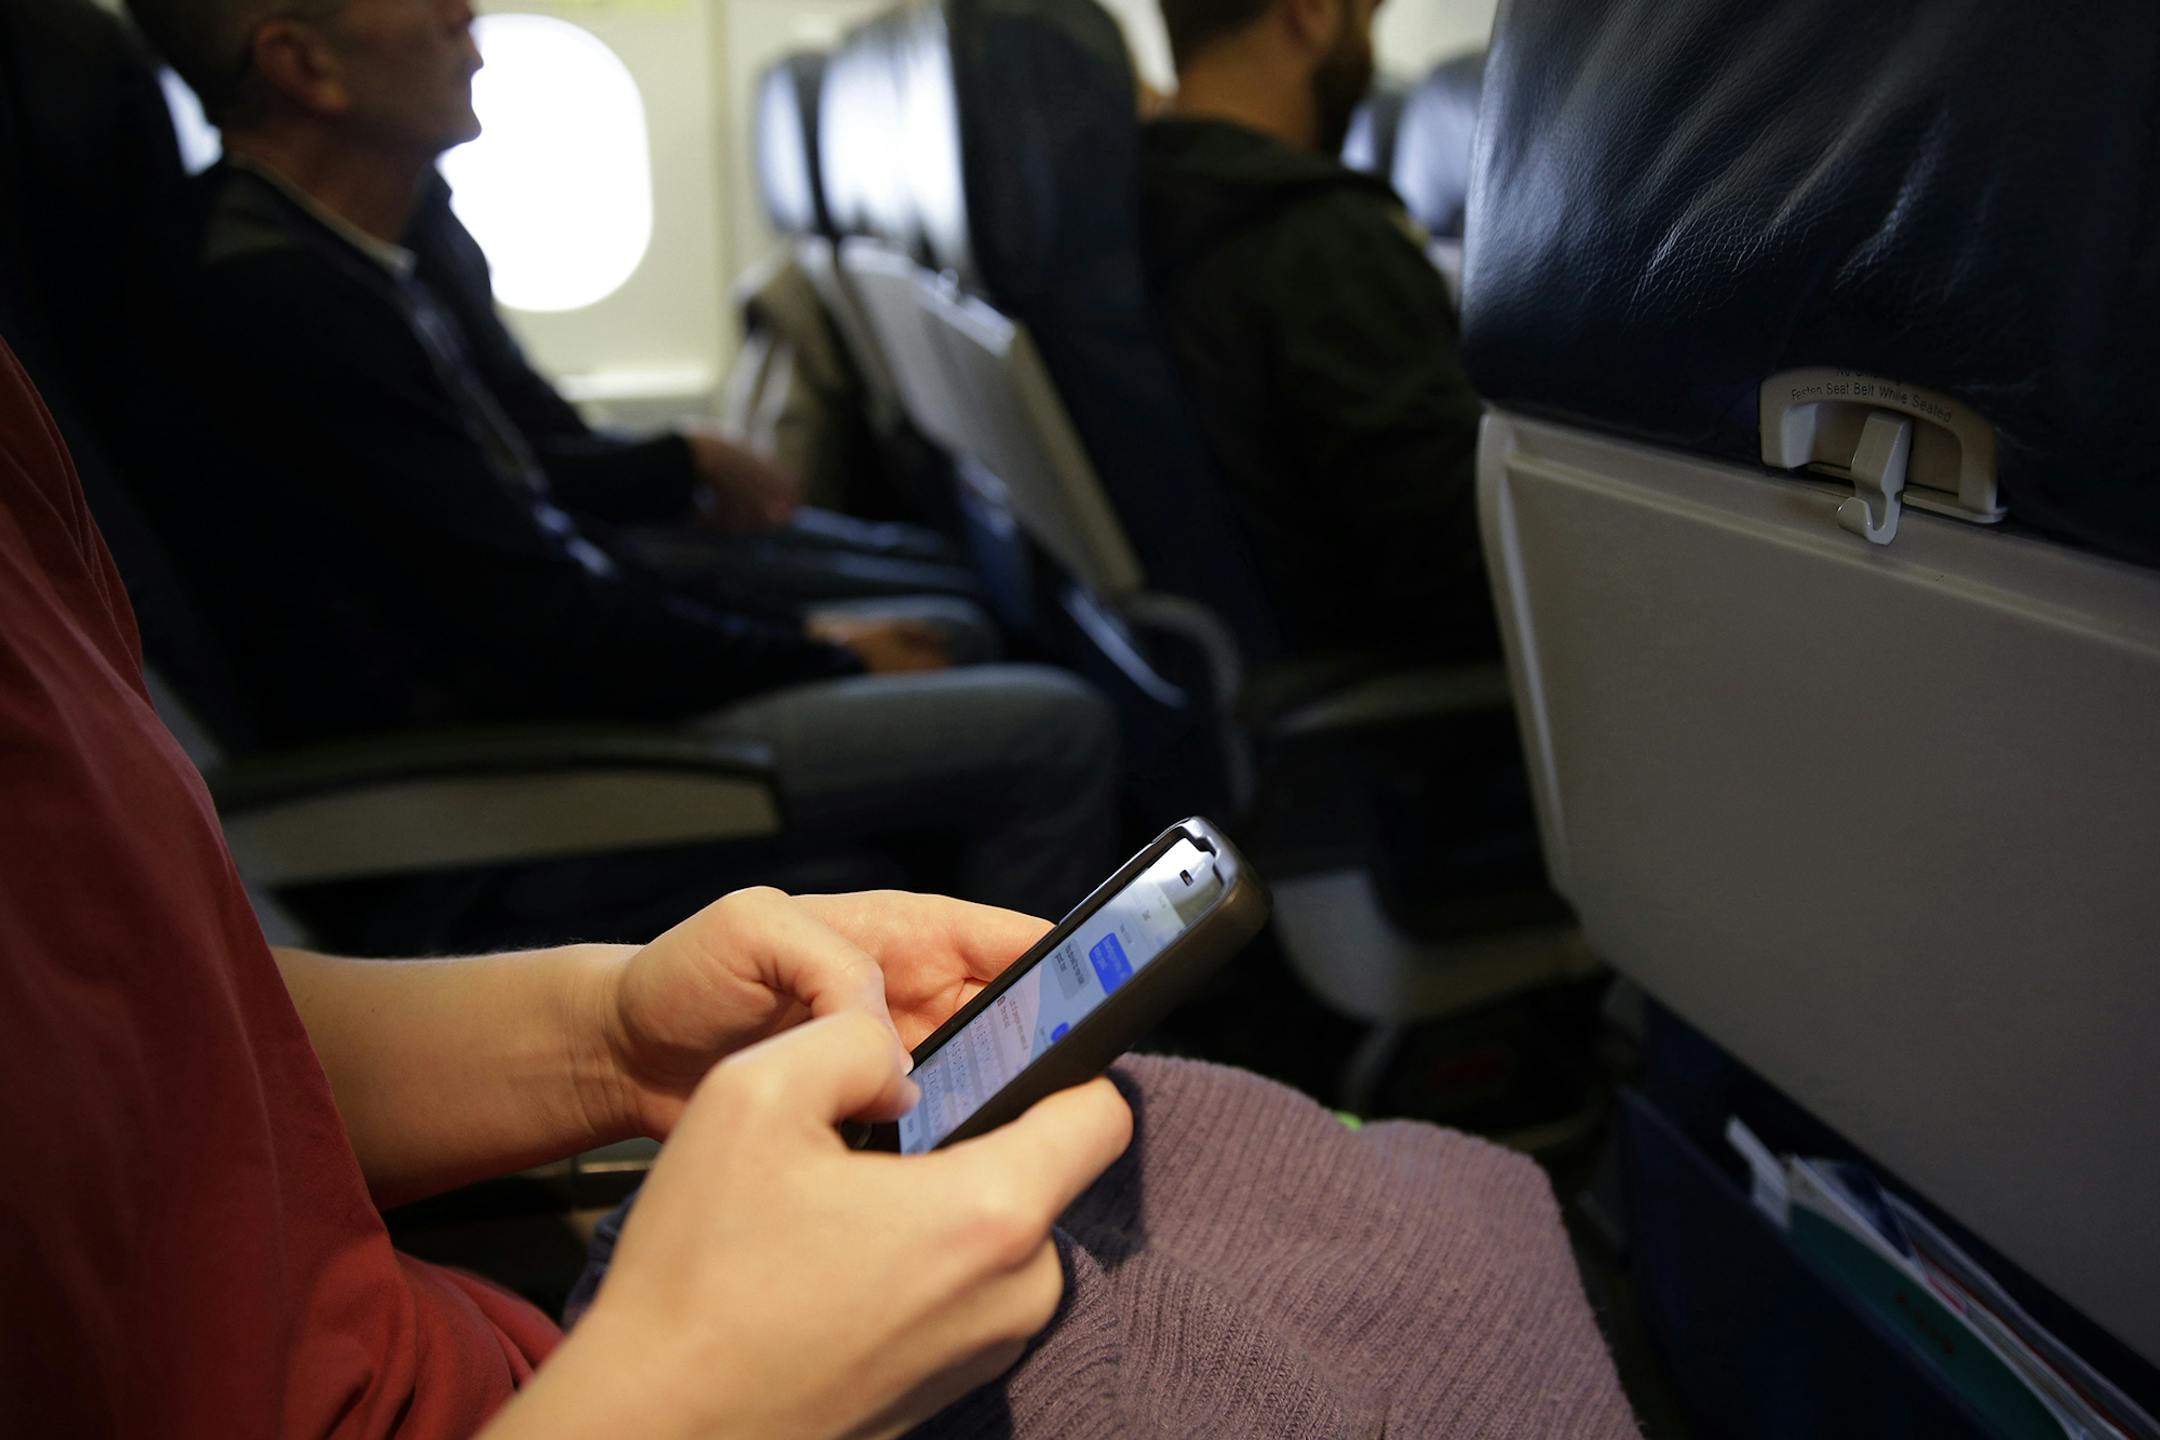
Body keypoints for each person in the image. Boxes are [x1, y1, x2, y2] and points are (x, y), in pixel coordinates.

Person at [0, 333, 1638, 1438]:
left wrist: (612, 1039)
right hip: (598, 1384)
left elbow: (143, 1023)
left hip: (497, 1339)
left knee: (1383, 1209)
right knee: (1434, 1252)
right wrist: (687, 1404)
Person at [112, 0, 1116, 924]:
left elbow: (527, 527)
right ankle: (1000, 1084)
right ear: (304, 66)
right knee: (1057, 731)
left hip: (529, 701)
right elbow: (537, 622)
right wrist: (827, 650)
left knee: (943, 634)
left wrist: (796, 623)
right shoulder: (281, 306)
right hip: (488, 773)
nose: (463, 12)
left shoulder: (345, 249)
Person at [1140, 0, 1494, 661]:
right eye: (1365, 17)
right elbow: (1467, 562)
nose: (1368, 46)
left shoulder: (1137, 203)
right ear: (1308, 13)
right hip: (1406, 702)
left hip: (1236, 661)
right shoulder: (1321, 243)